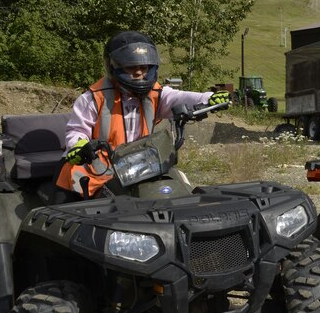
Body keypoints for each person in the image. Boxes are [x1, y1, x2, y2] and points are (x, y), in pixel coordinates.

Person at [56, 30, 229, 199]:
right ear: (113, 66)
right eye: (131, 67)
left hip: (138, 166)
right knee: (78, 205)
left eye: (143, 67)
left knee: (177, 187)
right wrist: (79, 146)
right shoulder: (93, 98)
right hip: (97, 169)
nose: (138, 72)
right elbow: (77, 130)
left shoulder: (155, 94)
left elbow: (179, 98)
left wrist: (209, 99)